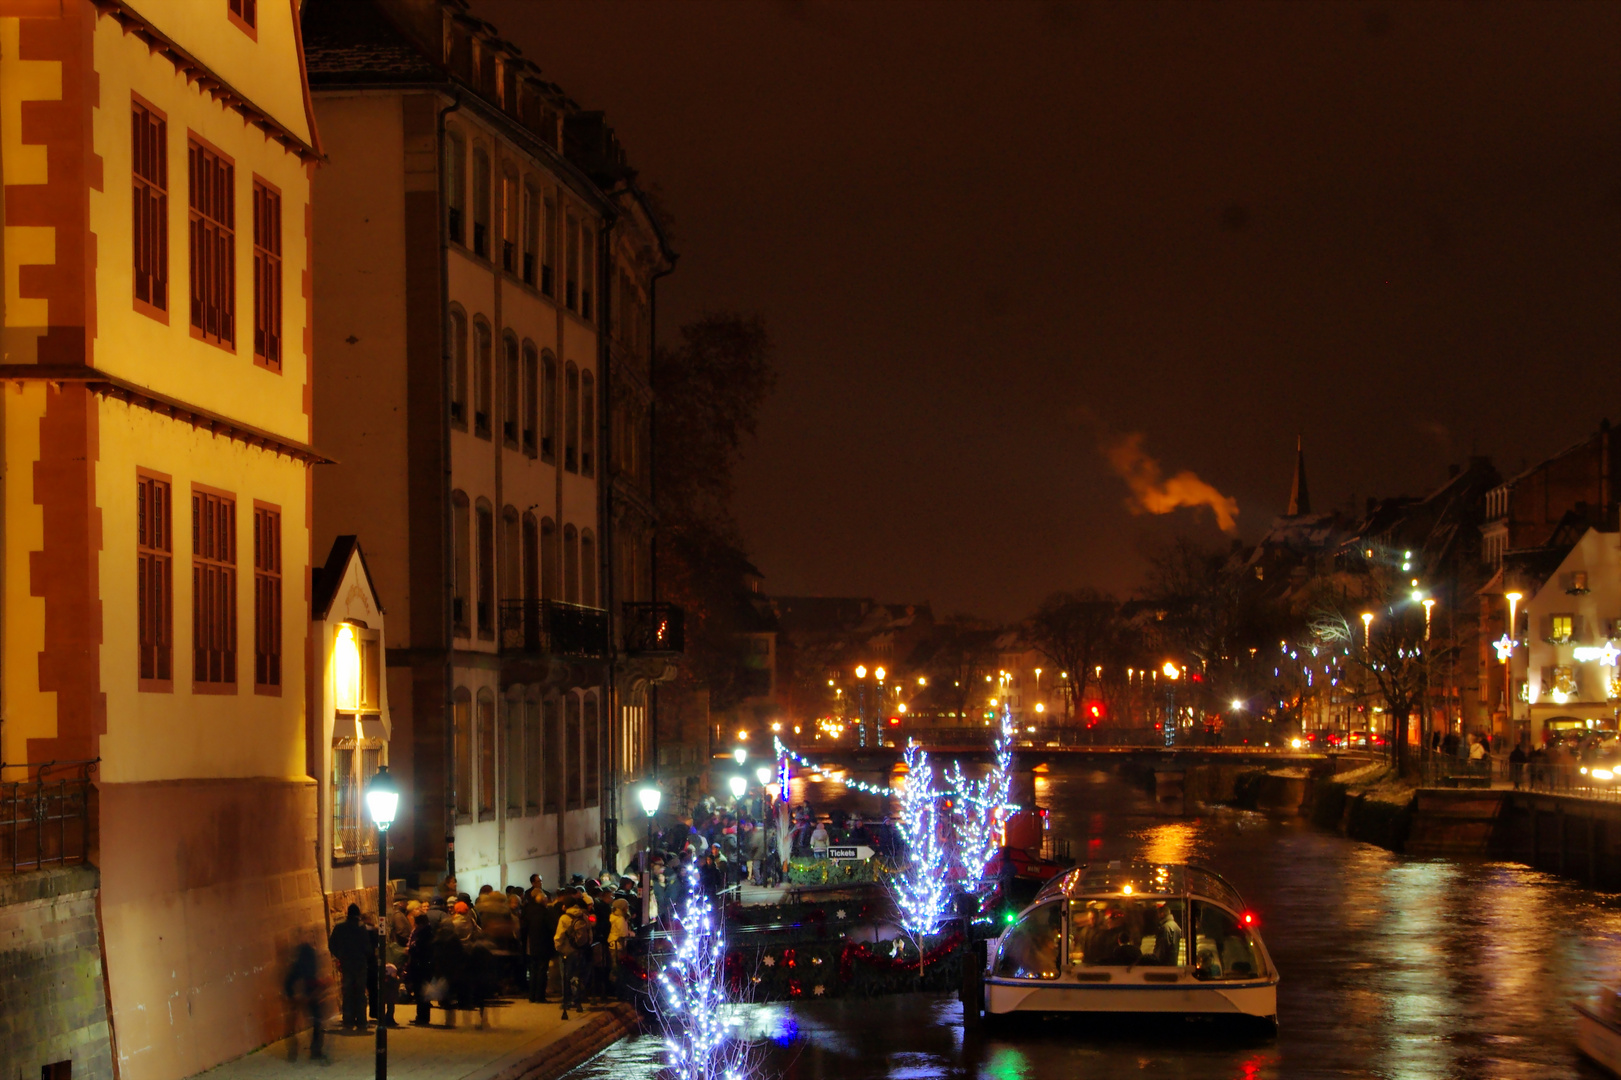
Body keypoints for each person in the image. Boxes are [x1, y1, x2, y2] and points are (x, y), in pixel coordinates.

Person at [327, 903, 371, 1030]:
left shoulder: (339, 927)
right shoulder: (361, 927)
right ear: (358, 914)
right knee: (360, 992)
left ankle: (348, 1020)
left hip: (347, 964)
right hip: (360, 964)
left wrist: (341, 956)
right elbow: (367, 947)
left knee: (348, 992)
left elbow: (332, 944)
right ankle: (361, 1021)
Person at [283, 935, 327, 1062]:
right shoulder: (310, 963)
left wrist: (292, 996)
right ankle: (315, 1051)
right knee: (317, 1021)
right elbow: (310, 979)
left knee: (293, 1025)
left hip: (301, 997)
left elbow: (289, 982)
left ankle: (293, 1052)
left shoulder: (297, 965)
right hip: (309, 996)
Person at [554, 896, 593, 1019]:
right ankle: (578, 1001)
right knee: (578, 975)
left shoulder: (564, 918)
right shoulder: (584, 916)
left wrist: (558, 947)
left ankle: (567, 1001)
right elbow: (589, 933)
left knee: (566, 975)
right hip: (580, 950)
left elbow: (559, 935)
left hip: (567, 950)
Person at [521, 885, 557, 1002]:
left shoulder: (527, 911)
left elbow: (523, 928)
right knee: (542, 971)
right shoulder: (545, 912)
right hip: (543, 945)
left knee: (533, 971)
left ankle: (532, 996)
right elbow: (551, 928)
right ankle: (540, 996)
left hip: (530, 946)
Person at [404, 913, 435, 1026]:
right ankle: (422, 1016)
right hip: (424, 966)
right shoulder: (428, 932)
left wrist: (411, 950)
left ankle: (422, 1017)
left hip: (420, 966)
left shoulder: (423, 934)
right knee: (421, 992)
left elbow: (418, 948)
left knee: (420, 992)